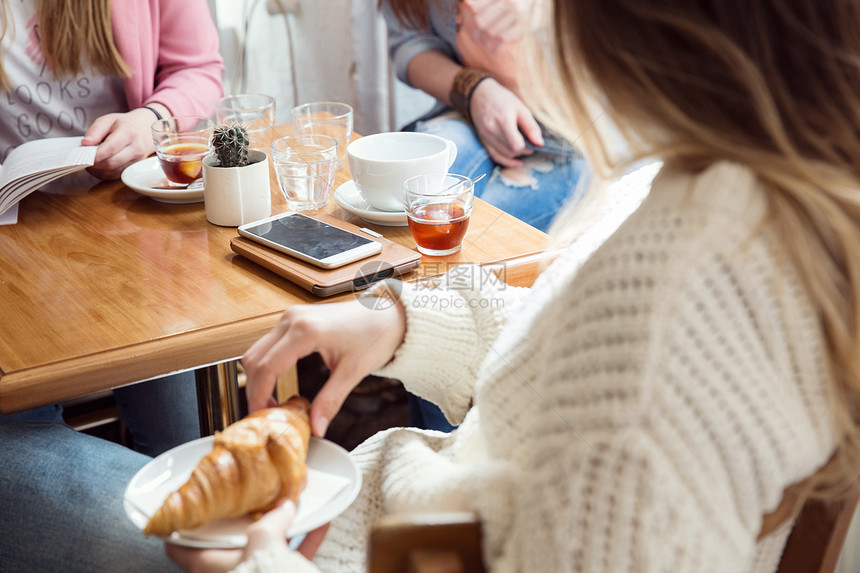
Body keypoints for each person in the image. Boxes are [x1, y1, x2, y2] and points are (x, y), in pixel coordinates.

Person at [170, 0, 860, 572]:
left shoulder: (667, 309)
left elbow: (622, 368)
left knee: (87, 499)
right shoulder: (727, 190)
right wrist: (400, 325)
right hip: (396, 512)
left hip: (363, 547)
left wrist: (262, 561)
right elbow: (573, 346)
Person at [0, 0, 222, 570]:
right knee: (193, 533)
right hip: (12, 253)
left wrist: (154, 120)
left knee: (186, 454)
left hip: (126, 236)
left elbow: (198, 69)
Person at [382, 0, 584, 235]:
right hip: (464, 112)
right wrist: (474, 89)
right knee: (414, 207)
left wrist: (545, 9)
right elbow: (412, 42)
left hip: (571, 139)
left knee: (463, 235)